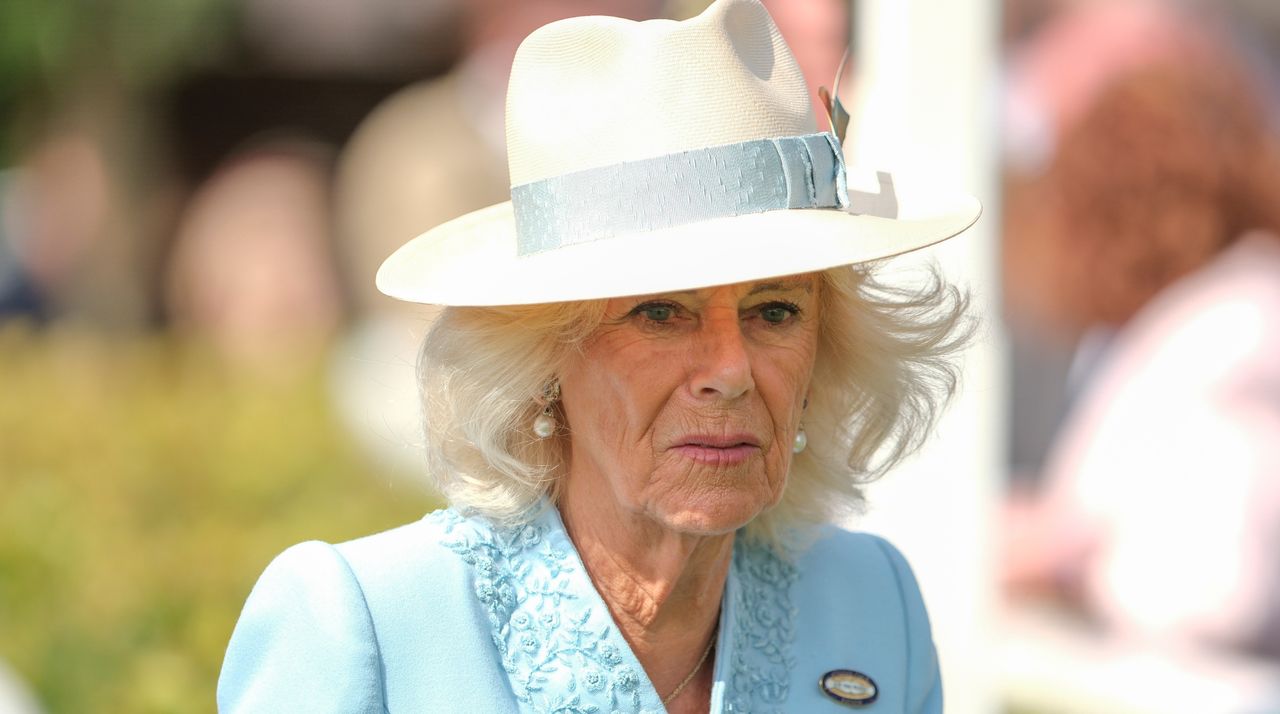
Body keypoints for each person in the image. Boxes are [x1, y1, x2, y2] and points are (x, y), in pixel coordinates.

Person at [217, 1, 980, 711]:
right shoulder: (362, 621)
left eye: (774, 310)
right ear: (543, 359)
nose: (730, 369)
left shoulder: (876, 604)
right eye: (660, 312)